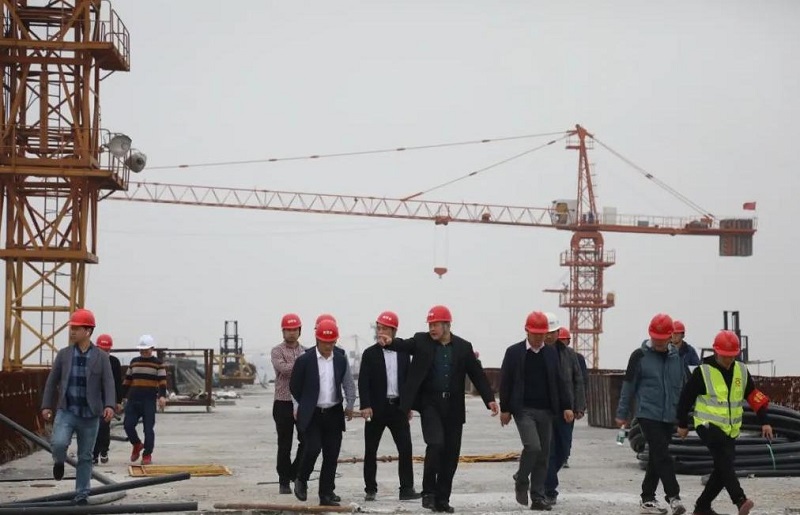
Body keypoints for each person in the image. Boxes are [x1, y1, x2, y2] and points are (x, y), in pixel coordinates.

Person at [377, 304, 499, 513]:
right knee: (435, 444)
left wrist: (489, 399)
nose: (432, 328)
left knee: (451, 455)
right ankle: (428, 492)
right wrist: (390, 342)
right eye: (430, 325)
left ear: (447, 325)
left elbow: (477, 374)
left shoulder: (463, 347)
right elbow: (404, 345)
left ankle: (442, 499)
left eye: (436, 325)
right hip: (430, 404)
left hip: (453, 407)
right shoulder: (421, 341)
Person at [676, 330, 771, 515]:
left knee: (723, 467)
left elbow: (754, 396)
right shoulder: (703, 372)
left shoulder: (741, 371)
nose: (729, 360)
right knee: (724, 461)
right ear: (716, 351)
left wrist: (765, 421)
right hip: (707, 424)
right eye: (725, 356)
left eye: (732, 356)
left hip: (729, 429)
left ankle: (702, 507)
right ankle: (740, 499)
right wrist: (682, 424)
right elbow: (685, 398)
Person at [40, 309, 116, 505]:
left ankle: (82, 494)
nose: (72, 332)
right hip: (67, 411)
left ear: (88, 331)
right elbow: (51, 381)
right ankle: (59, 461)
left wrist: (109, 405)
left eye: (76, 328)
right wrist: (46, 405)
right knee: (58, 444)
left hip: (90, 415)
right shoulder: (64, 355)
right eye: (71, 328)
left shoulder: (101, 357)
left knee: (85, 456)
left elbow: (109, 383)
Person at [499, 311, 573, 511]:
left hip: (546, 410)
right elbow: (505, 381)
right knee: (533, 446)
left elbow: (559, 381)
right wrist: (505, 409)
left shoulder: (550, 353)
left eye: (543, 334)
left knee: (543, 456)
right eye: (536, 334)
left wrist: (567, 406)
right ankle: (522, 479)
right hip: (523, 410)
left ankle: (538, 497)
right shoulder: (514, 353)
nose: (540, 338)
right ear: (527, 331)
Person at [615, 313, 688, 515]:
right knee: (662, 454)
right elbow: (628, 386)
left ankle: (647, 499)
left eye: (662, 338)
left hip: (668, 415)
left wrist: (683, 417)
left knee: (657, 456)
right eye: (655, 338)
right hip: (647, 413)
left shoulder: (676, 358)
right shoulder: (639, 356)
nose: (658, 342)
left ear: (670, 336)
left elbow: (682, 387)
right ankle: (674, 497)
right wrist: (622, 412)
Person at [290, 319, 355, 506]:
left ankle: (325, 495)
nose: (328, 346)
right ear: (317, 339)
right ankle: (301, 479)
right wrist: (304, 404)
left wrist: (350, 404)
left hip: (333, 413)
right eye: (325, 342)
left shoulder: (340, 360)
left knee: (331, 454)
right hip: (313, 414)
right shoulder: (305, 360)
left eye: (332, 342)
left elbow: (348, 383)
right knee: (312, 448)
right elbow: (294, 386)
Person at [359, 311, 421, 502]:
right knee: (371, 450)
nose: (380, 332)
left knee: (405, 448)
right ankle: (370, 489)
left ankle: (406, 489)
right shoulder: (370, 354)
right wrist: (365, 405)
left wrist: (408, 405)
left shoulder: (403, 353)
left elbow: (408, 380)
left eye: (385, 328)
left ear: (394, 331)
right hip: (376, 409)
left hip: (398, 408)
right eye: (379, 328)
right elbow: (363, 382)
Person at [543, 316, 585, 506]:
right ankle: (549, 489)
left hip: (566, 411)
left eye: (553, 332)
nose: (549, 336)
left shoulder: (569, 355)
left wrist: (579, 406)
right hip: (545, 410)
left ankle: (541, 476)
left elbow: (578, 380)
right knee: (549, 451)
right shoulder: (537, 353)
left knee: (563, 449)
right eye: (547, 332)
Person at [270, 313, 306, 494]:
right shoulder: (277, 351)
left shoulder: (306, 351)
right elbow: (284, 370)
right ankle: (284, 481)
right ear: (283, 331)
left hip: (302, 403)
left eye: (294, 329)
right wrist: (304, 365)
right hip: (283, 402)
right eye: (288, 330)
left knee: (306, 440)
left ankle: (294, 472)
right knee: (284, 444)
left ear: (300, 331)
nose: (292, 333)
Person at [122, 334, 167, 465]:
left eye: (146, 350)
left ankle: (147, 454)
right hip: (133, 399)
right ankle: (136, 444)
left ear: (152, 349)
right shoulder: (134, 362)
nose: (144, 352)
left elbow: (162, 382)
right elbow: (127, 381)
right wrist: (120, 399)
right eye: (141, 350)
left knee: (148, 429)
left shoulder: (158, 364)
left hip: (149, 400)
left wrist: (162, 396)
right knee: (128, 425)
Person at [557, 326, 588, 469]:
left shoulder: (575, 357)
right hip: (552, 404)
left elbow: (580, 382)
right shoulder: (548, 355)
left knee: (566, 433)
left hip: (570, 404)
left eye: (563, 340)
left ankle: (564, 456)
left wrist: (580, 407)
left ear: (568, 341)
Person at [92, 333, 123, 465]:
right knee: (94, 427)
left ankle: (104, 450)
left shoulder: (114, 362)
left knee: (104, 426)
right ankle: (94, 454)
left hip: (108, 399)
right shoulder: (91, 360)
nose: (104, 353)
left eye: (107, 350)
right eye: (102, 350)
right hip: (94, 398)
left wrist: (118, 401)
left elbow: (118, 383)